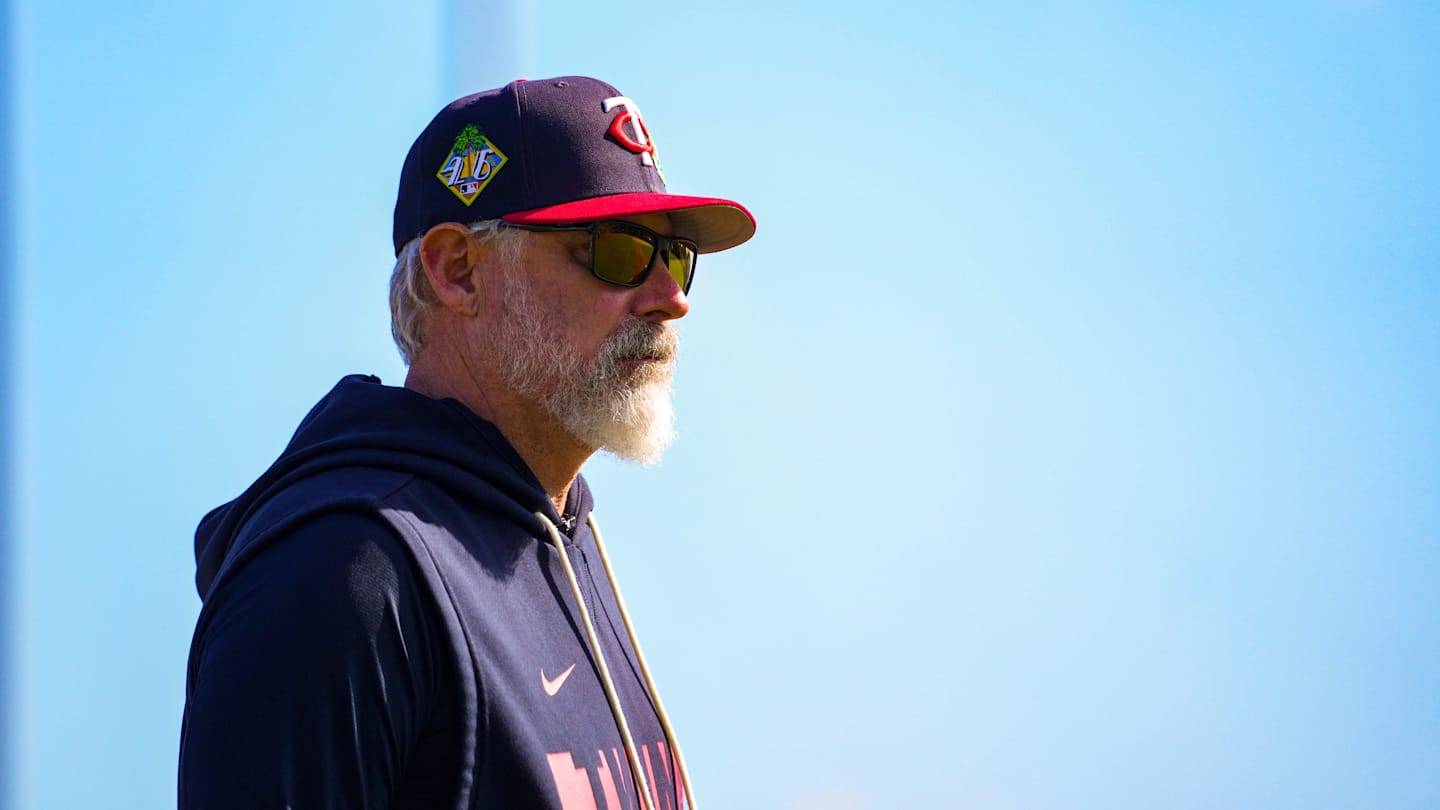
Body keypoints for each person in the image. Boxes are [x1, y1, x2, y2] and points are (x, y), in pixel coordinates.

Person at [178, 76, 755, 810]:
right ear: (457, 272)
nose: (672, 297)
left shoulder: (561, 532)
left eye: (673, 256)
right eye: (618, 251)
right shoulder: (340, 570)